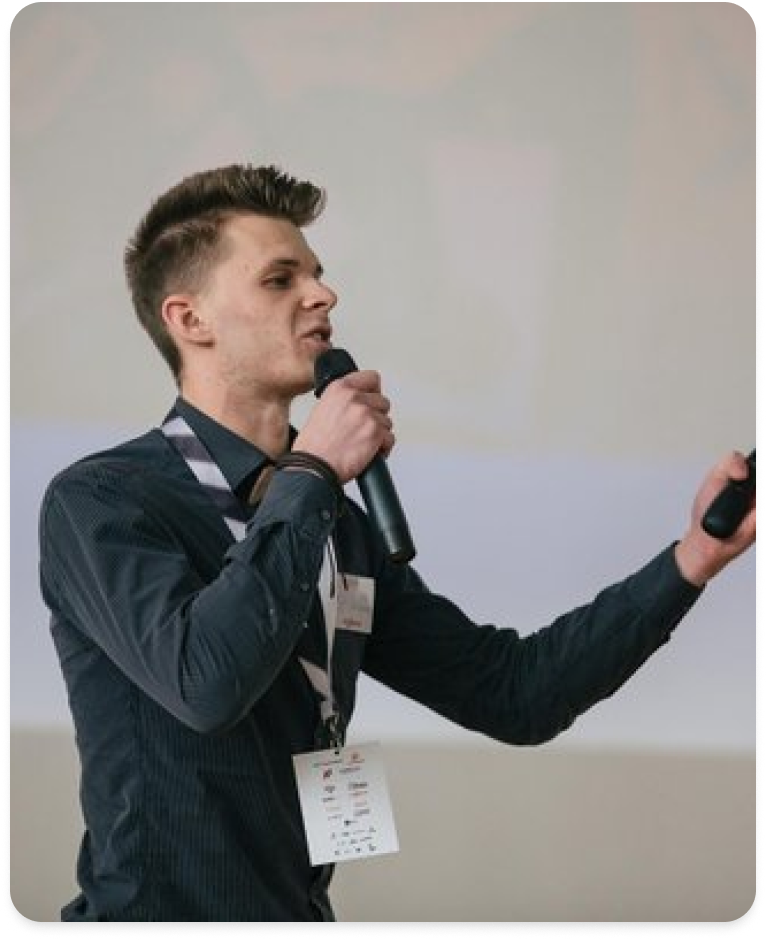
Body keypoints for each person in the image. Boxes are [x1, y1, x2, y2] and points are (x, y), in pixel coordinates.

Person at [38, 163, 756, 924]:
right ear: (190, 320)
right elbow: (205, 684)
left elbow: (516, 694)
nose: (323, 295)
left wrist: (691, 560)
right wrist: (314, 470)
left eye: (317, 274)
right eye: (280, 280)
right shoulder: (105, 499)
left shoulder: (329, 521)